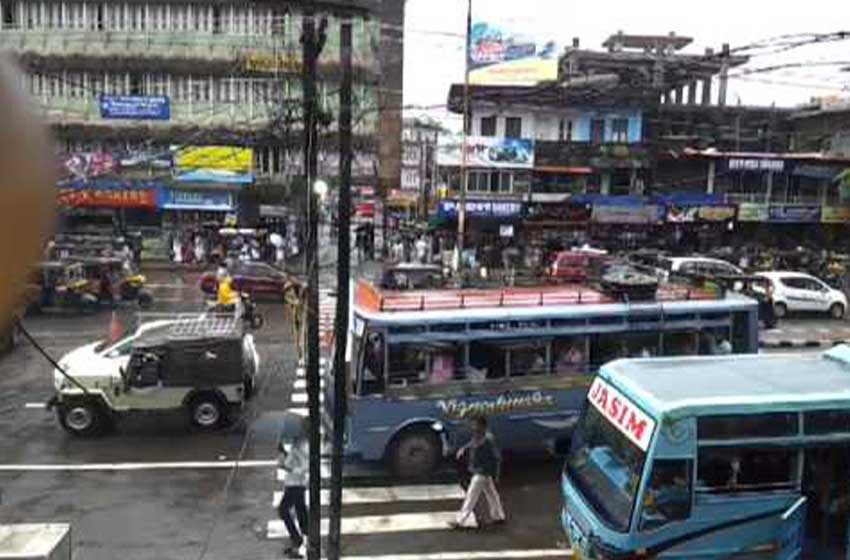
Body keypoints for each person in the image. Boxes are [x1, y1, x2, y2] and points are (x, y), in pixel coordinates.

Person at [449, 416, 506, 529]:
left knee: (471, 496)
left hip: (482, 472)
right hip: (481, 471)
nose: (473, 427)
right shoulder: (479, 436)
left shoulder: (488, 439)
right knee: (492, 494)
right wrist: (464, 448)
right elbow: (473, 442)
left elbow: (497, 457)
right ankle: (499, 516)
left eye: (475, 424)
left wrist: (497, 474)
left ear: (483, 426)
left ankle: (460, 521)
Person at [278, 420, 309, 558]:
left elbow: (304, 467)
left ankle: (297, 540)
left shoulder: (303, 446)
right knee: (301, 512)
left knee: (283, 510)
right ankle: (306, 542)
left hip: (296, 485)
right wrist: (284, 453)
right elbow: (293, 460)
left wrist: (287, 467)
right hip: (294, 483)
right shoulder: (297, 445)